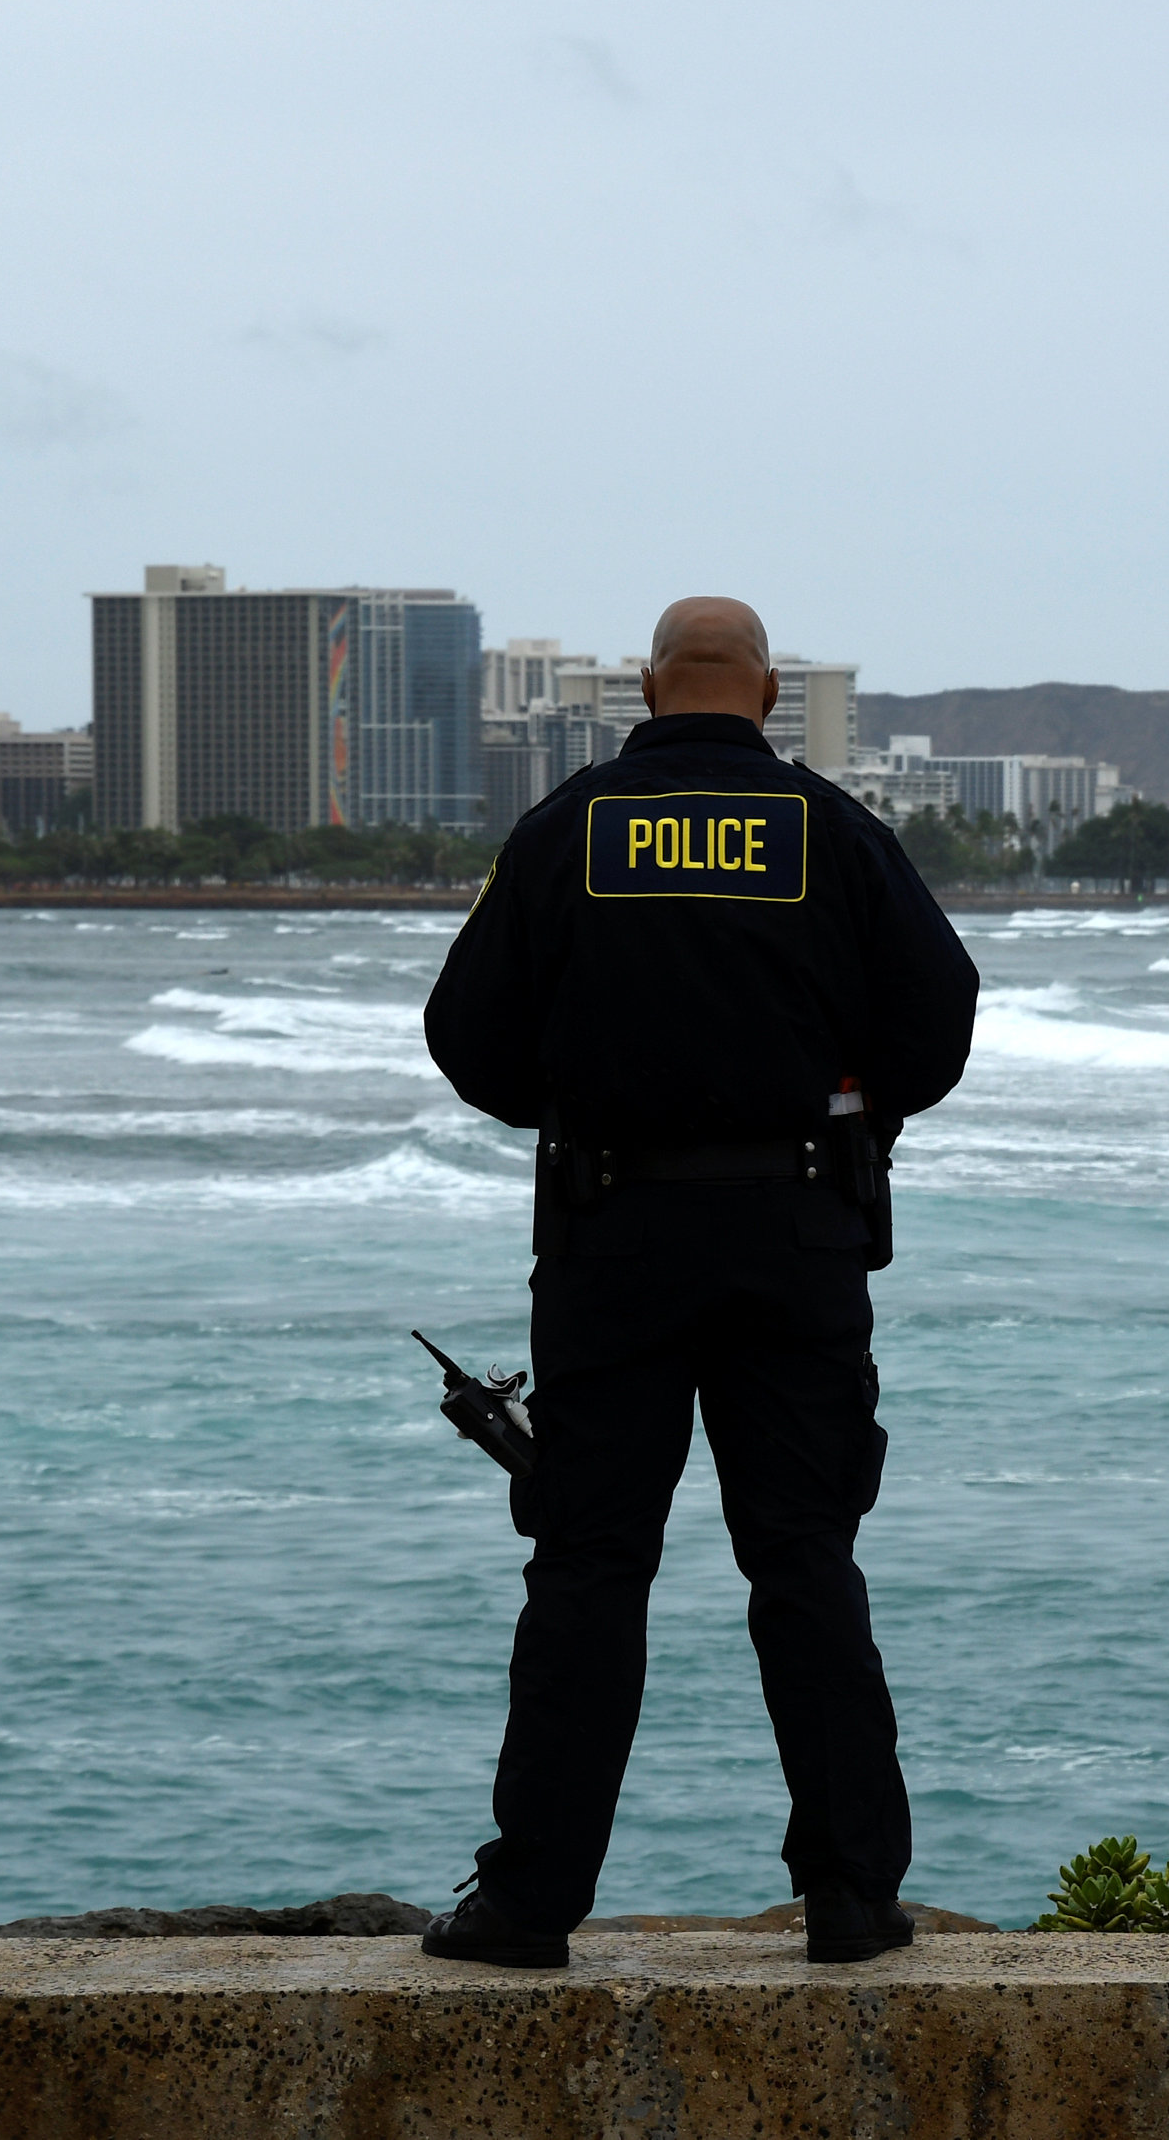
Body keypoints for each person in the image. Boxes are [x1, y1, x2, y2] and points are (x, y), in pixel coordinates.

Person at [415, 596, 979, 1969]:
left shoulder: (568, 831)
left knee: (590, 1566)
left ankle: (530, 1901)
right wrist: (848, 1118)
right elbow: (940, 1011)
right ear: (770, 693)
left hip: (613, 1242)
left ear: (649, 692)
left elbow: (464, 1032)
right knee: (804, 1558)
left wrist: (585, 1106)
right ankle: (850, 1894)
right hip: (796, 1237)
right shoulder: (836, 834)